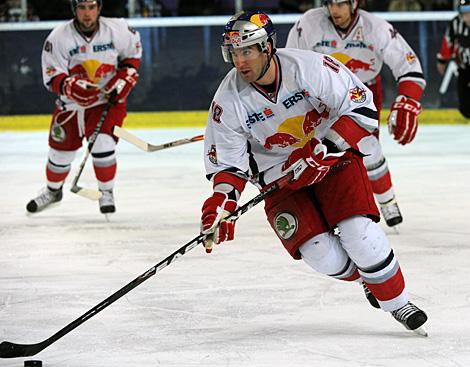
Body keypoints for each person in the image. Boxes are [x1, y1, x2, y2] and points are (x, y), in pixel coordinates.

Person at [199, 10, 428, 335]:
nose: (240, 61)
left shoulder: (309, 68)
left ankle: (398, 303)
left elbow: (361, 108)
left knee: (360, 233)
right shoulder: (227, 101)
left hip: (333, 162)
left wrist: (327, 149)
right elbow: (228, 166)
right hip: (280, 181)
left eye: (247, 50)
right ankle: (369, 279)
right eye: (234, 53)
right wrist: (221, 207)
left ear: (267, 48)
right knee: (321, 255)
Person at [285, 0, 426, 228]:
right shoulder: (309, 23)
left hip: (363, 93)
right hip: (323, 95)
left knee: (369, 149)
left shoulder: (376, 27)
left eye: (340, 4)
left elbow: (408, 65)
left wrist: (407, 100)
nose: (334, 10)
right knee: (320, 150)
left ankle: (387, 201)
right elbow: (290, 64)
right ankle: (324, 206)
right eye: (330, 3)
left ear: (354, 3)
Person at [26, 0, 142, 215]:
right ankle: (53, 191)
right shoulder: (59, 37)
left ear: (99, 8)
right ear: (74, 9)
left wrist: (124, 78)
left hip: (105, 101)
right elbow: (52, 75)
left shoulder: (118, 29)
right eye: (82, 8)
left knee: (102, 144)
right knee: (60, 155)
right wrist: (69, 86)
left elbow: (131, 57)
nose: (87, 14)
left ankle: (106, 192)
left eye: (91, 7)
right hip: (69, 105)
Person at [437, 0, 470, 118]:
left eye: (469, 13)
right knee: (464, 107)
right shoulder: (456, 23)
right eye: (464, 14)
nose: (467, 17)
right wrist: (442, 61)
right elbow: (448, 42)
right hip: (463, 67)